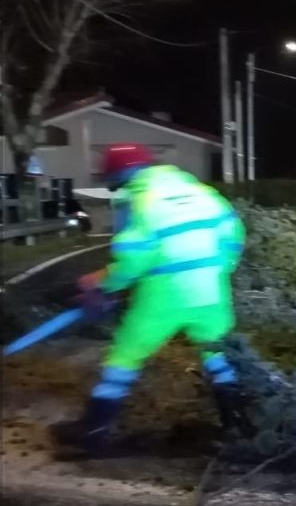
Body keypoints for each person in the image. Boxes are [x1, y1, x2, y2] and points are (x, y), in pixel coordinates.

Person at [50, 144, 250, 457]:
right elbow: (234, 234)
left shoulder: (139, 198)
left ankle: (95, 432)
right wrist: (216, 270)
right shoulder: (198, 190)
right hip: (211, 289)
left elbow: (133, 258)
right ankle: (241, 426)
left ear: (120, 176)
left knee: (126, 354)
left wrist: (103, 282)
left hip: (165, 294)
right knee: (216, 352)